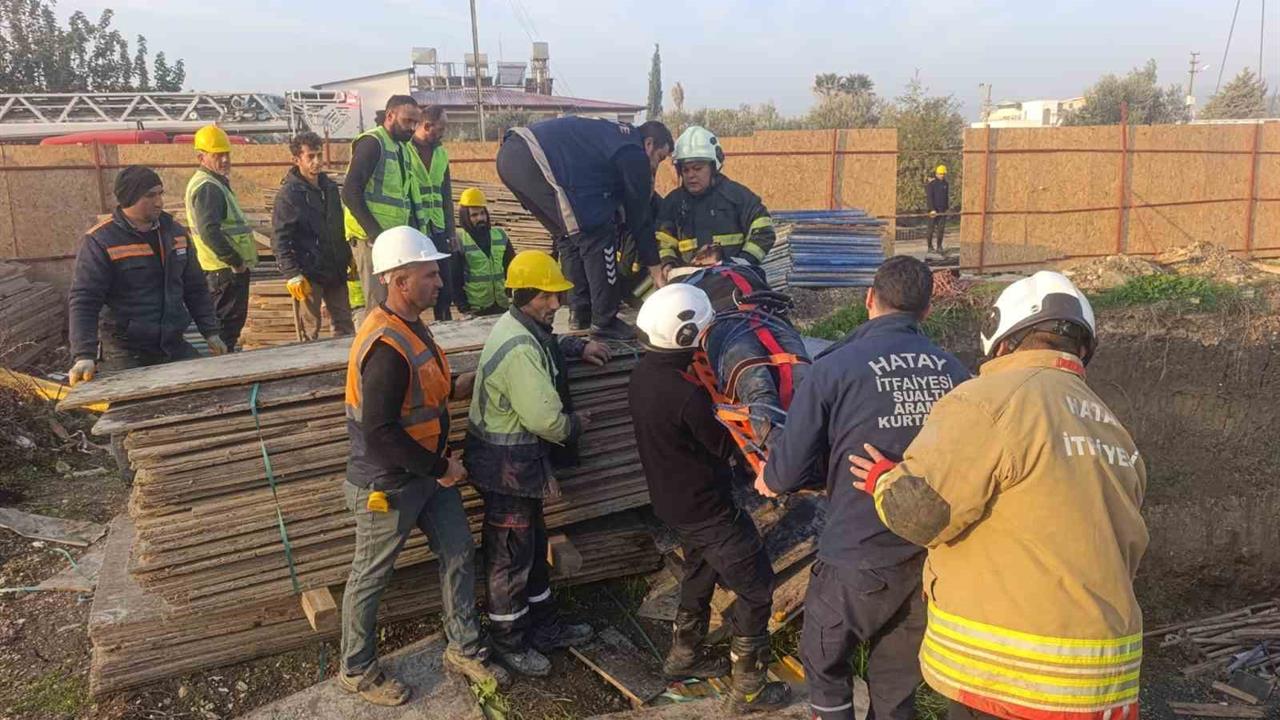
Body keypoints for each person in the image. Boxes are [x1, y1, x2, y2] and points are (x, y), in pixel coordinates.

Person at [849, 271, 1148, 720]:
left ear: (1002, 339)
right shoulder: (1112, 427)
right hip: (1106, 678)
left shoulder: (988, 400)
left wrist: (885, 481)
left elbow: (921, 515)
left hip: (1016, 679)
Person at [758, 256, 969, 720]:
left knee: (824, 660)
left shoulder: (834, 367)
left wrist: (768, 476)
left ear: (869, 299)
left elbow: (785, 476)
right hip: (932, 559)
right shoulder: (956, 372)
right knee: (896, 683)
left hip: (858, 552)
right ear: (926, 311)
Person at [339, 226, 508, 706]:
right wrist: (440, 469)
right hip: (389, 483)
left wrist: (470, 381)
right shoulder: (386, 348)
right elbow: (380, 431)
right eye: (429, 273)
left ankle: (463, 646)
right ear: (399, 279)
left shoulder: (412, 326)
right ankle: (356, 668)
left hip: (427, 474)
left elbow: (429, 388)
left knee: (458, 552)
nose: (439, 281)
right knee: (371, 575)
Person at [630, 283, 793, 715]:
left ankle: (684, 655)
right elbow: (727, 449)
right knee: (758, 588)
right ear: (685, 336)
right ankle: (750, 688)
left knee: (699, 569)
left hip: (673, 503)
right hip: (708, 509)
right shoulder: (685, 395)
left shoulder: (645, 374)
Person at [464, 250, 613, 676]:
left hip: (516, 465)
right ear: (528, 294)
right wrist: (575, 425)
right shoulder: (518, 348)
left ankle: (542, 626)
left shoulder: (526, 327)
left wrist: (578, 345)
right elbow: (545, 420)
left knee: (529, 545)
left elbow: (547, 345)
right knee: (510, 554)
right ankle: (509, 640)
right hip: (505, 468)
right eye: (548, 296)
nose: (556, 304)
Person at [495, 116, 673, 339]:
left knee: (568, 237)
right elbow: (639, 216)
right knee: (598, 232)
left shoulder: (613, 137)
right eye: (660, 157)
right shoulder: (633, 150)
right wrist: (656, 272)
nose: (656, 166)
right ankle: (605, 320)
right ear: (649, 144)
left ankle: (580, 312)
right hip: (536, 157)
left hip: (512, 156)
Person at [68, 165, 226, 384]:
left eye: (160, 193)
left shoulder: (175, 233)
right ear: (130, 198)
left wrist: (211, 331)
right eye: (150, 196)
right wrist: (84, 355)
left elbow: (195, 287)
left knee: (203, 391)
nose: (159, 202)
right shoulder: (101, 240)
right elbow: (85, 300)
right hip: (127, 351)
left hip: (172, 344)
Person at [674, 257, 811, 451]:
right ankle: (784, 455)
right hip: (723, 323)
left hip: (768, 314)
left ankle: (815, 446)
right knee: (758, 385)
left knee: (805, 381)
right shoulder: (683, 282)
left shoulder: (743, 267)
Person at [342, 95, 423, 315]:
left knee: (395, 302)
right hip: (370, 239)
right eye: (408, 121)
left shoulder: (402, 149)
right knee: (379, 305)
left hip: (391, 239)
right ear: (390, 116)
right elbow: (350, 192)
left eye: (416, 123)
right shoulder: (372, 143)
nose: (412, 128)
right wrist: (376, 235)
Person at [272, 131, 355, 341]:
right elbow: (280, 238)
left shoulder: (330, 188)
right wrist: (292, 274)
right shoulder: (289, 195)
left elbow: (338, 225)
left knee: (345, 325)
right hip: (308, 274)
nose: (317, 161)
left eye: (319, 155)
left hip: (335, 269)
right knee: (310, 330)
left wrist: (349, 255)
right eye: (311, 157)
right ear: (297, 159)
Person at [656, 126, 776, 270]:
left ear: (713, 167)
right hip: (689, 284)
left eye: (697, 168)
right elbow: (662, 241)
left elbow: (764, 230)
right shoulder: (673, 203)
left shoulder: (737, 197)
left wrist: (744, 261)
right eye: (685, 170)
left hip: (732, 281)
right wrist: (668, 264)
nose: (690, 175)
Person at [185, 124, 258, 351]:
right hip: (224, 271)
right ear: (201, 157)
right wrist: (235, 261)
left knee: (227, 330)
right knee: (226, 330)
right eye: (218, 155)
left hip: (221, 269)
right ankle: (222, 372)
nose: (225, 160)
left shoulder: (213, 183)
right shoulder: (208, 187)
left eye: (227, 154)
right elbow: (209, 231)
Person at [408, 104, 457, 321]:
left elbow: (446, 193)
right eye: (441, 127)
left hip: (438, 226)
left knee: (444, 279)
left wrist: (452, 230)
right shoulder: (405, 150)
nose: (443, 132)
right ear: (427, 126)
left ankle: (444, 319)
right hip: (415, 226)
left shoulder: (441, 153)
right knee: (415, 280)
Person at [455, 187, 515, 317]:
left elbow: (512, 268)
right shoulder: (460, 240)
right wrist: (464, 308)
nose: (480, 218)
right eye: (474, 215)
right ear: (465, 217)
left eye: (482, 213)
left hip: (502, 304)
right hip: (476, 308)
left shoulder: (500, 235)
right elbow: (455, 278)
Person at [925, 165, 948, 255]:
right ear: (936, 174)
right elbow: (929, 198)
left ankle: (939, 246)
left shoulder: (946, 184)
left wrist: (946, 208)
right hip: (933, 210)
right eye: (940, 174)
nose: (942, 175)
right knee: (931, 228)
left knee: (941, 229)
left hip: (942, 210)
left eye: (943, 174)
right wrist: (932, 209)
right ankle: (930, 247)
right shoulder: (931, 184)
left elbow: (946, 197)